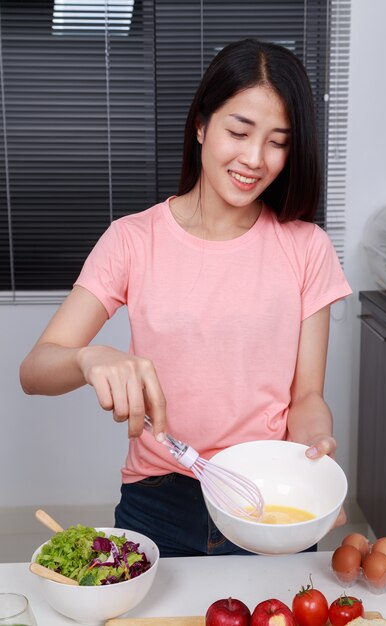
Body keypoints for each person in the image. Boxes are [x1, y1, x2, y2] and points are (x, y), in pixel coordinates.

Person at [20, 38, 352, 557]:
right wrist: (89, 358)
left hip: (266, 501)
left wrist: (314, 451)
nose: (254, 158)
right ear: (201, 125)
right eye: (239, 132)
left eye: (277, 142)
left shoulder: (307, 248)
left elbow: (306, 397)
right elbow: (35, 369)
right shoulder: (133, 239)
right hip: (157, 503)